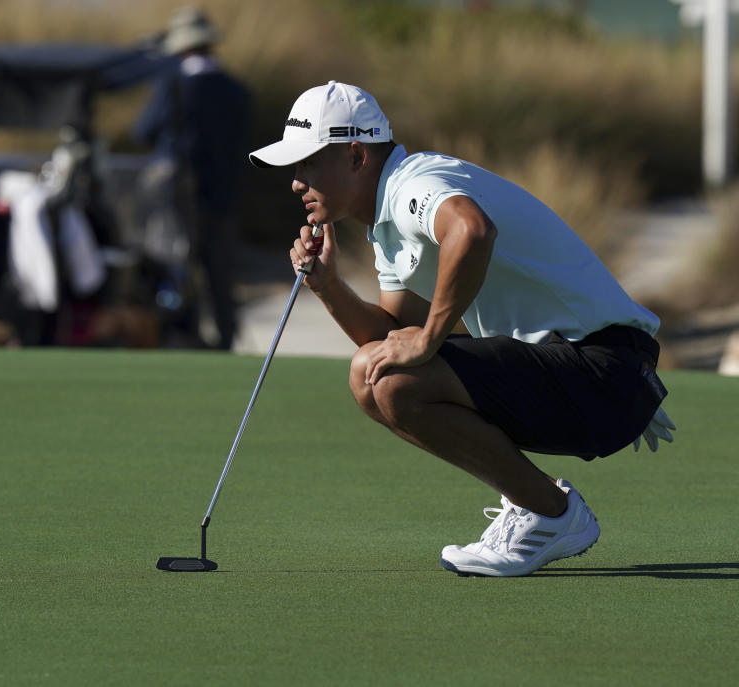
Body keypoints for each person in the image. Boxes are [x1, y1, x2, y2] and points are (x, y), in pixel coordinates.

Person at [248, 81, 676, 577]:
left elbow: (471, 230)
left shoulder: (414, 183)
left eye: (307, 164)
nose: (296, 182)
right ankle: (539, 507)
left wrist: (431, 336)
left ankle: (549, 513)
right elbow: (388, 336)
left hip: (603, 368)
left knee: (382, 375)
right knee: (377, 375)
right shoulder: (386, 224)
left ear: (356, 156)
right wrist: (328, 287)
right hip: (596, 370)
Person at [134, 7, 252, 350]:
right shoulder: (237, 91)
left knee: (179, 272)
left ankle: (187, 340)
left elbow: (143, 131)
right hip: (225, 197)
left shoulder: (173, 86)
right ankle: (225, 340)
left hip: (179, 199)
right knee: (221, 277)